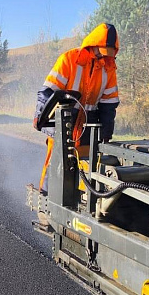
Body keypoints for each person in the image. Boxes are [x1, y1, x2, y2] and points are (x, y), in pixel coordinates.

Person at [33, 22, 120, 193]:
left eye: (108, 55)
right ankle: (45, 197)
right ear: (93, 45)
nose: (104, 58)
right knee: (55, 163)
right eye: (101, 54)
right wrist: (40, 116)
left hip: (89, 124)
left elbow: (109, 104)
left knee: (86, 165)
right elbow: (47, 91)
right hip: (64, 121)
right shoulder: (69, 60)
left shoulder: (109, 68)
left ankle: (78, 199)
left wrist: (106, 132)